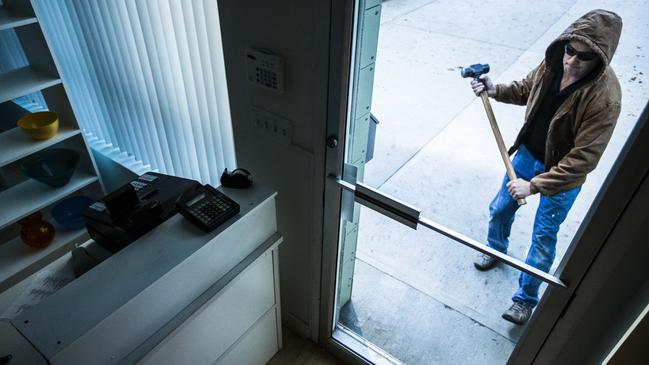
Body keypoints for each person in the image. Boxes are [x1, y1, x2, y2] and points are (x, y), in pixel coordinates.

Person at [470, 9, 622, 325]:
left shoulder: (605, 97)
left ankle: (524, 300)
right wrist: (494, 89)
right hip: (527, 156)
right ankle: (495, 250)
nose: (572, 61)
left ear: (600, 58)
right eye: (570, 51)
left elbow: (583, 160)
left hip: (562, 177)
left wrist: (536, 185)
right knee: (500, 209)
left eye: (584, 57)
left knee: (543, 237)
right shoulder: (552, 63)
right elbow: (526, 89)